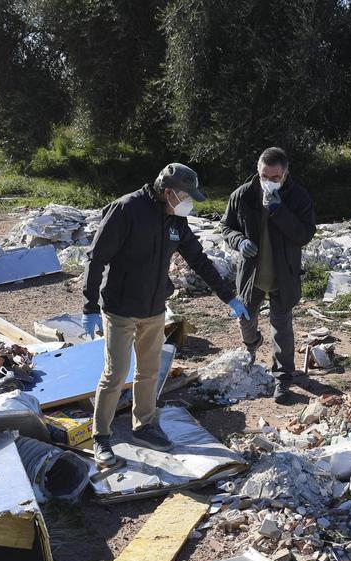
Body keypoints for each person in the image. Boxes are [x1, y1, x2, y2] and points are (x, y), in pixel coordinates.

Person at [82, 162, 249, 467]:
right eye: (186, 197)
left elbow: (198, 259)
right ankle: (101, 437)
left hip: (155, 309)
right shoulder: (127, 209)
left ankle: (144, 425)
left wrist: (228, 297)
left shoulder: (174, 219)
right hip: (120, 308)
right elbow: (96, 259)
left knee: (149, 371)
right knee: (116, 373)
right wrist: (90, 306)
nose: (189, 203)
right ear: (169, 191)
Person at [221, 146, 316, 404]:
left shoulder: (298, 198)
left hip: (283, 274)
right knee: (245, 318)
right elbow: (226, 227)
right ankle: (252, 343)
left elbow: (304, 234)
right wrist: (238, 241)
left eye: (274, 178)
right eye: (264, 176)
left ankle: (283, 379)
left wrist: (278, 211)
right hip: (252, 274)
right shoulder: (242, 195)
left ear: (285, 175)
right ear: (258, 171)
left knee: (282, 327)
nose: (268, 182)